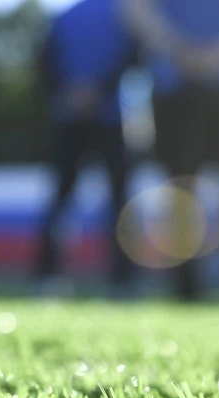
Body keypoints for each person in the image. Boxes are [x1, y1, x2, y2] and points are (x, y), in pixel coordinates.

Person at [124, 0, 219, 302]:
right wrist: (179, 49)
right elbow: (135, 7)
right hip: (176, 85)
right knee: (181, 182)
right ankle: (185, 278)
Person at [36, 0, 138, 296]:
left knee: (116, 201)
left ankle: (120, 279)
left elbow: (131, 58)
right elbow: (46, 60)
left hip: (105, 119)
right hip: (83, 120)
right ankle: (51, 275)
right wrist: (87, 92)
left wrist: (82, 91)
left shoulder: (120, 15)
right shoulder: (67, 18)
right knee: (65, 199)